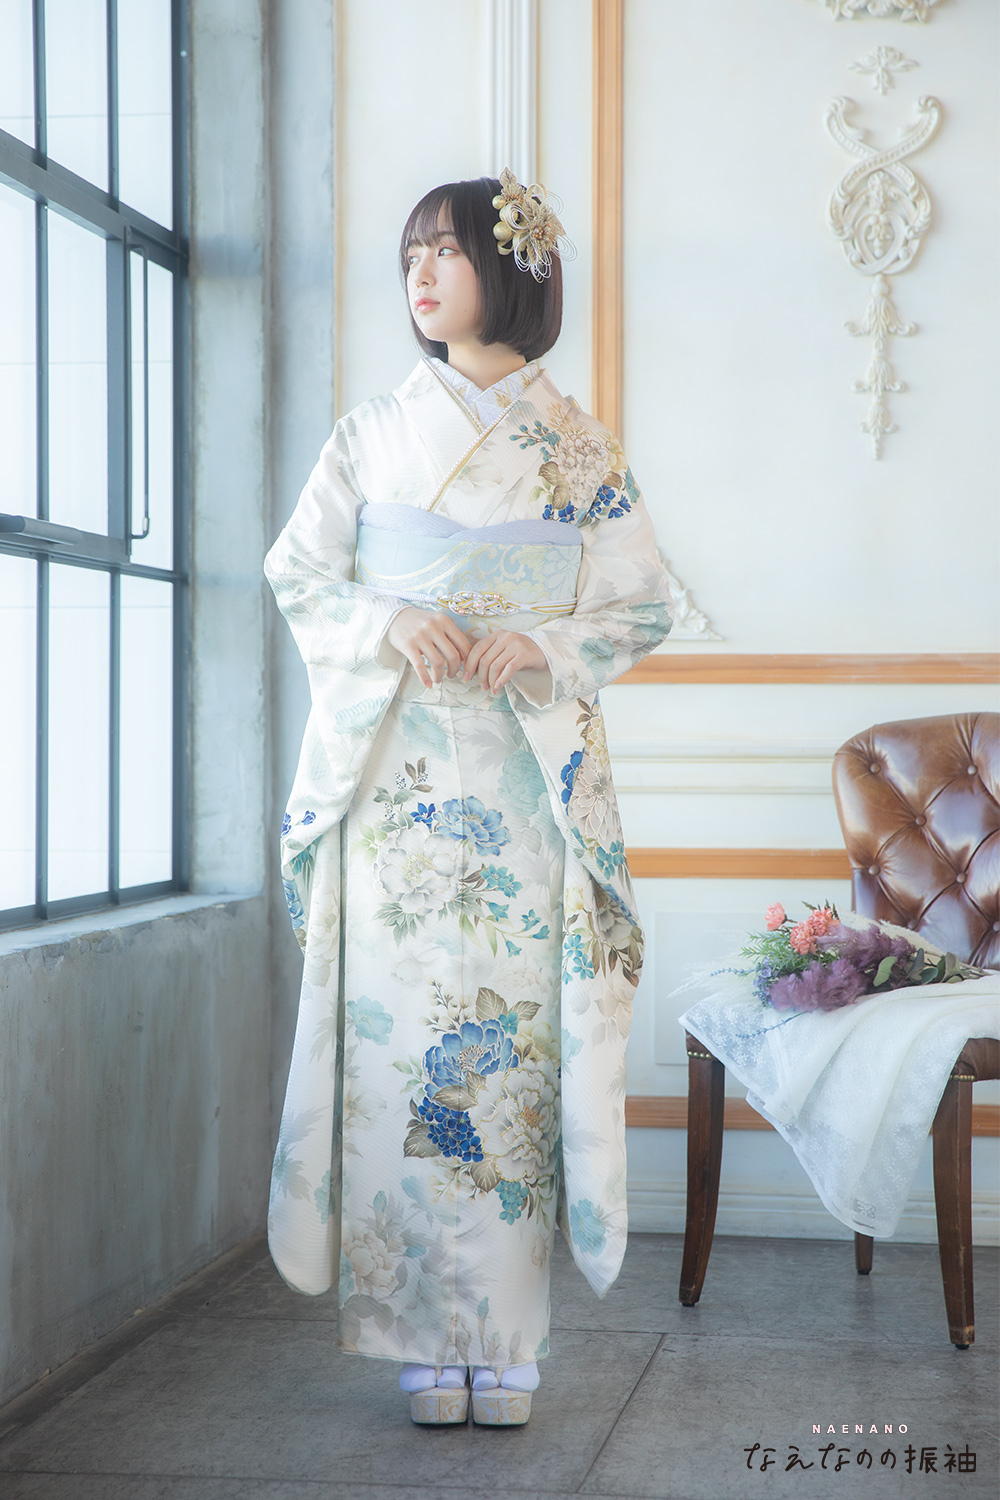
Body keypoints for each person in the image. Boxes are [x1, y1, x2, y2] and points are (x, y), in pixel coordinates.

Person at [265, 171, 673, 1426]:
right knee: (398, 1044)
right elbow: (299, 572)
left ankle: (507, 1336)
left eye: (444, 251)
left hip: (519, 781)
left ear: (512, 270)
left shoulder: (579, 446)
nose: (422, 276)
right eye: (411, 257)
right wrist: (390, 621)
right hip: (393, 779)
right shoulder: (368, 434)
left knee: (512, 1050)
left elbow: (641, 603)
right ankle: (414, 1334)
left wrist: (540, 645)